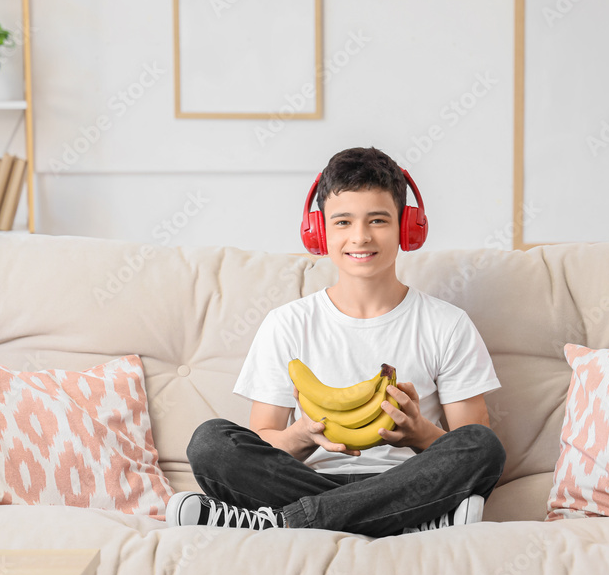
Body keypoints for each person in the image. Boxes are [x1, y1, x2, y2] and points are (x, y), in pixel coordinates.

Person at [166, 147, 506, 537]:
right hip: (312, 481)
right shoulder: (287, 324)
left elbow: (469, 439)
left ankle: (285, 521)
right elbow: (264, 436)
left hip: (407, 478)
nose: (359, 237)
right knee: (211, 443)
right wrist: (302, 436)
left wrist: (419, 433)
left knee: (483, 447)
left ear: (406, 228)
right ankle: (407, 519)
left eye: (377, 220)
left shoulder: (447, 324)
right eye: (342, 222)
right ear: (320, 231)